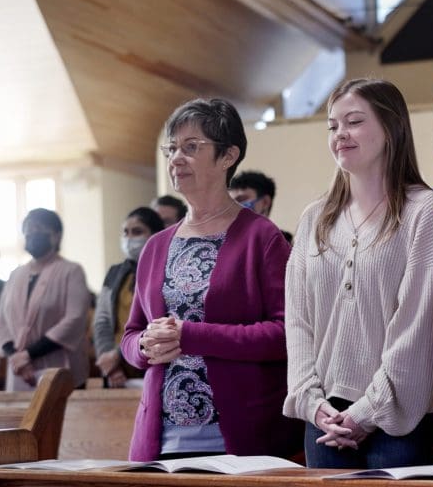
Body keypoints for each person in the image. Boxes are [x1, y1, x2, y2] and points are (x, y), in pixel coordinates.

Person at [283, 78, 433, 469]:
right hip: (324, 421)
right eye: (332, 126)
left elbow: (420, 328)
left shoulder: (426, 213)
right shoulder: (315, 219)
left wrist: (366, 412)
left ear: (391, 127)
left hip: (400, 421)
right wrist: (312, 402)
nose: (340, 133)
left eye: (354, 121)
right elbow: (297, 322)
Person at [121, 97, 302, 461]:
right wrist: (143, 347)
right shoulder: (156, 246)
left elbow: (286, 336)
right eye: (172, 148)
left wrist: (191, 335)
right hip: (162, 442)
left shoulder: (262, 238)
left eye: (191, 147)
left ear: (227, 156)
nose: (175, 159)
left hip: (237, 438)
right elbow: (131, 334)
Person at [0, 208, 90, 391]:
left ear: (56, 236)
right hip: (19, 371)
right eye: (27, 229)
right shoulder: (16, 274)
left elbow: (74, 319)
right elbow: (0, 322)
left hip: (58, 367)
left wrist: (28, 355)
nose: (31, 233)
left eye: (38, 228)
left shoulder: (71, 271)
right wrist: (16, 357)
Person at [93, 206, 164, 388]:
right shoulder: (115, 273)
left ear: (155, 234)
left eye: (137, 232)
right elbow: (102, 320)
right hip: (116, 371)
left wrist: (118, 355)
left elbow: (156, 321)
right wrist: (110, 363)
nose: (129, 238)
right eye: (125, 232)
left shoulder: (162, 271)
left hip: (152, 362)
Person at [229, 170, 293, 243]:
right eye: (231, 201)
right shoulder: (225, 244)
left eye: (241, 199)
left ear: (265, 202)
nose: (233, 206)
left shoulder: (286, 245)